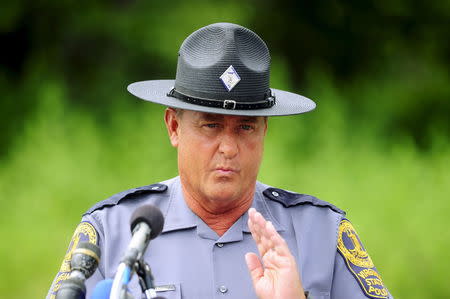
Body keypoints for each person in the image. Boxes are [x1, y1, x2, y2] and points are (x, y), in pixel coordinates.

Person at [47, 22, 392, 299]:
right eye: (210, 126)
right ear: (173, 126)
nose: (229, 147)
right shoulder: (113, 232)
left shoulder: (322, 232)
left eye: (245, 127)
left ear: (264, 131)